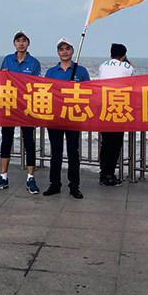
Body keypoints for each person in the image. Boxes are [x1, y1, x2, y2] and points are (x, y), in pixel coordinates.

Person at [0, 31, 42, 194]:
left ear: (28, 44)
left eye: (24, 41)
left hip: (26, 108)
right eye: (18, 40)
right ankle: (3, 177)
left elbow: (36, 84)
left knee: (29, 143)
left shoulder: (34, 63)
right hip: (8, 106)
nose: (21, 43)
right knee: (6, 141)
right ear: (14, 44)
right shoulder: (7, 59)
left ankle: (31, 178)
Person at [42, 38, 89, 199]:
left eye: (67, 48)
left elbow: (89, 92)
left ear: (73, 51)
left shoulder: (81, 71)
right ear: (58, 52)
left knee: (73, 154)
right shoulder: (51, 72)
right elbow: (45, 93)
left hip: (73, 118)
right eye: (61, 49)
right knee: (56, 153)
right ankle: (54, 185)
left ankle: (74, 186)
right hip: (54, 118)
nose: (64, 52)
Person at [97, 43, 134, 187]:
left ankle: (103, 173)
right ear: (124, 55)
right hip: (119, 108)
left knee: (105, 143)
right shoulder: (128, 67)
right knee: (115, 143)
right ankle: (109, 174)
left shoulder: (102, 66)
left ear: (110, 54)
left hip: (104, 109)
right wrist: (128, 64)